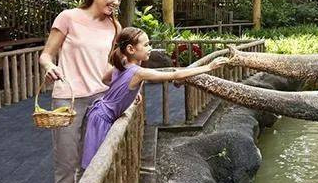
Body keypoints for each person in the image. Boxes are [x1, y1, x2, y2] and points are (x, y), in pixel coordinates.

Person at [81, 27, 229, 169]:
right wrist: (209, 67)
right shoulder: (138, 72)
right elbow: (175, 75)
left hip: (99, 112)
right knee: (97, 164)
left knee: (101, 161)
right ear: (131, 49)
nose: (149, 48)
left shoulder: (123, 65)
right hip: (103, 118)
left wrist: (130, 91)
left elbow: (105, 80)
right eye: (145, 45)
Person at [39, 0, 124, 183]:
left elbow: (110, 66)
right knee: (66, 163)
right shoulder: (68, 17)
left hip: (100, 100)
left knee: (93, 160)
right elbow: (46, 55)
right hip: (68, 100)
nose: (116, 3)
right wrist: (50, 66)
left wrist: (127, 87)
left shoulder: (114, 27)